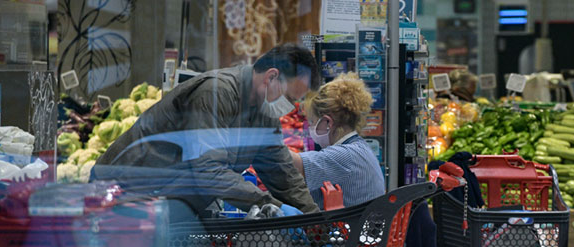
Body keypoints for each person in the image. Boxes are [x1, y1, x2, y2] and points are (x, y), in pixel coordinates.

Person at [92, 43, 321, 217]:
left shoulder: (264, 112)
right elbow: (209, 171)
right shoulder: (215, 93)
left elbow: (281, 173)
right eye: (291, 98)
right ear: (271, 77)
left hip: (165, 201)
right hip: (123, 196)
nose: (291, 107)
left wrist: (314, 221)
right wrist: (271, 206)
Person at [291, 72, 385, 208]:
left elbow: (291, 164)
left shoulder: (346, 156)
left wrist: (262, 143)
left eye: (312, 121)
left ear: (327, 123)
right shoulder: (358, 147)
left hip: (353, 228)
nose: (310, 128)